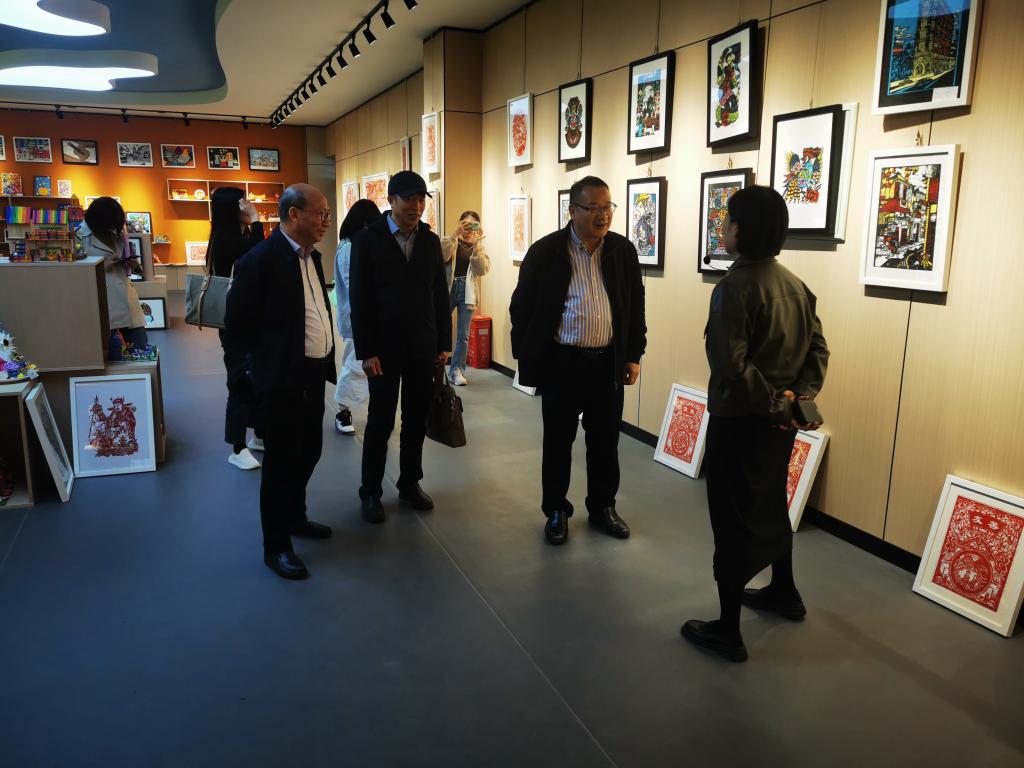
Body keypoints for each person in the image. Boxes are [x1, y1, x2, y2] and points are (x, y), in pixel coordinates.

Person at [681, 185, 829, 663]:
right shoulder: (796, 286)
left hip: (742, 421)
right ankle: (784, 590)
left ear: (740, 230)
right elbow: (818, 351)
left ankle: (728, 629)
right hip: (778, 426)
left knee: (731, 517)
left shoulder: (734, 288)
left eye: (727, 220)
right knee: (770, 502)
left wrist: (773, 405)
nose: (723, 227)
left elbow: (731, 365)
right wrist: (796, 400)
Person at [509, 176, 646, 546]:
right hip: (562, 363)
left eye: (607, 207)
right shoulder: (546, 252)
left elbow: (634, 305)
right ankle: (556, 509)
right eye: (593, 208)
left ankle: (603, 507)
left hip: (606, 364)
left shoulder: (622, 251)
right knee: (558, 442)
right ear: (572, 211)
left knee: (605, 442)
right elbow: (521, 308)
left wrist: (633, 354)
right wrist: (528, 356)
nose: (603, 215)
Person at [225, 184, 336, 580]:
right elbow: (235, 329)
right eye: (320, 213)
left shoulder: (311, 256)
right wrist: (247, 378)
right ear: (294, 214)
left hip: (312, 374)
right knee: (280, 464)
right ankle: (276, 546)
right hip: (280, 379)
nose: (326, 221)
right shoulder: (260, 261)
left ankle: (295, 516)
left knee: (310, 450)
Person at [349, 171, 450, 523]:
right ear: (391, 200)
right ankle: (371, 491)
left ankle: (409, 483)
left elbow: (439, 295)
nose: (416, 206)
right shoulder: (367, 240)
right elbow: (359, 299)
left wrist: (444, 343)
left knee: (416, 420)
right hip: (383, 349)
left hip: (423, 346)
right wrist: (366, 351)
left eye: (421, 200)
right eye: (409, 199)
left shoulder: (430, 241)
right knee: (380, 421)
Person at [207, 186, 265, 470]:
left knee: (257, 376)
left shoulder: (234, 236)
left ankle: (258, 434)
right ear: (233, 208)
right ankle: (237, 446)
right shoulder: (226, 239)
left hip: (248, 319)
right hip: (235, 322)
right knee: (240, 380)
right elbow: (259, 257)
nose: (249, 205)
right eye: (244, 201)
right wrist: (257, 221)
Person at [76, 197, 148, 358]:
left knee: (140, 350)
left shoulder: (118, 233)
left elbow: (136, 269)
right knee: (111, 355)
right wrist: (102, 265)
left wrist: (133, 264)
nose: (112, 228)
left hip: (127, 297)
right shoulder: (79, 236)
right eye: (109, 224)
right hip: (101, 302)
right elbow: (75, 275)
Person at [332, 199, 380, 435]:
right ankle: (343, 411)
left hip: (364, 318)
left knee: (363, 366)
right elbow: (355, 287)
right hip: (356, 319)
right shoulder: (349, 248)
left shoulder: (351, 245)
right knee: (354, 365)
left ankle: (369, 412)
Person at [441, 211, 490, 386]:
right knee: (439, 327)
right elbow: (441, 256)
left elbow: (481, 270)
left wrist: (477, 246)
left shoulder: (479, 247)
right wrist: (455, 233)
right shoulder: (452, 241)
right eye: (466, 224)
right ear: (460, 223)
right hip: (448, 287)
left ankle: (456, 370)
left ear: (478, 227)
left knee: (463, 335)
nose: (469, 228)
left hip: (467, 290)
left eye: (473, 225)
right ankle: (435, 365)